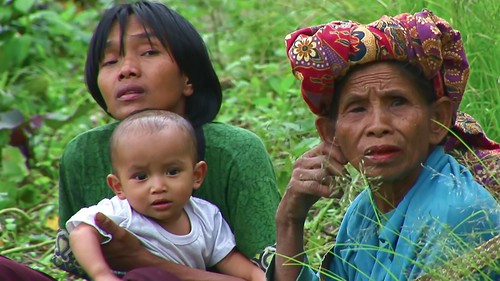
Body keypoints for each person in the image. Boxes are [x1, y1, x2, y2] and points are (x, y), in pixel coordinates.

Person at [269, 9, 500, 281]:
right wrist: (289, 223)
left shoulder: (457, 213)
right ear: (331, 135)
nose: (378, 125)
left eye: (397, 102)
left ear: (437, 120)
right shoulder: (365, 211)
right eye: (357, 109)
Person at [66, 110, 265, 281]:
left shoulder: (206, 216)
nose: (158, 187)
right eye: (141, 176)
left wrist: (257, 276)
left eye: (172, 172)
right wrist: (101, 274)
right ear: (118, 187)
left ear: (197, 176)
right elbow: (81, 233)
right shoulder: (121, 213)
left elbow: (228, 259)